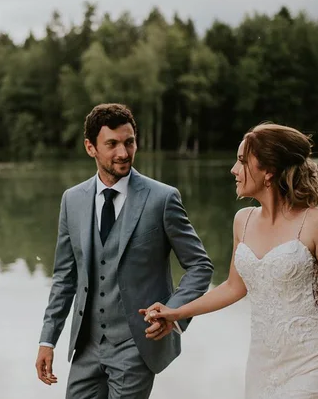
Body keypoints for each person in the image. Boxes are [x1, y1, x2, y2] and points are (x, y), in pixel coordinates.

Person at [141, 123, 318, 399]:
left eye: (241, 161)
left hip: (313, 362)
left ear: (268, 171)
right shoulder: (242, 221)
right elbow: (234, 287)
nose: (234, 170)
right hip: (262, 365)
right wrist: (175, 312)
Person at [35, 103, 214, 399]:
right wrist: (48, 339)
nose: (123, 152)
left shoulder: (162, 198)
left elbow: (200, 266)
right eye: (112, 144)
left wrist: (175, 314)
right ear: (90, 147)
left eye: (129, 142)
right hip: (87, 347)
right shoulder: (72, 200)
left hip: (136, 346)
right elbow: (65, 278)